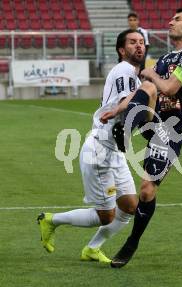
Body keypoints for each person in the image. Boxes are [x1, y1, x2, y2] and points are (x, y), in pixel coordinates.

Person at [36, 29, 156, 263]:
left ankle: (92, 248)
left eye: (141, 42)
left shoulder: (135, 75)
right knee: (106, 216)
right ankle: (50, 220)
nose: (139, 46)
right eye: (132, 42)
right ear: (122, 50)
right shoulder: (123, 69)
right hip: (100, 150)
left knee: (130, 206)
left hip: (116, 152)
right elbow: (127, 103)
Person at [101, 8, 182, 268]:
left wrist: (151, 75)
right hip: (153, 119)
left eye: (177, 19)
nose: (170, 22)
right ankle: (125, 129)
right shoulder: (167, 57)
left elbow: (170, 87)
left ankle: (132, 243)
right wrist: (117, 109)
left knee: (146, 192)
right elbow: (144, 89)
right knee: (147, 85)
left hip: (171, 132)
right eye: (171, 18)